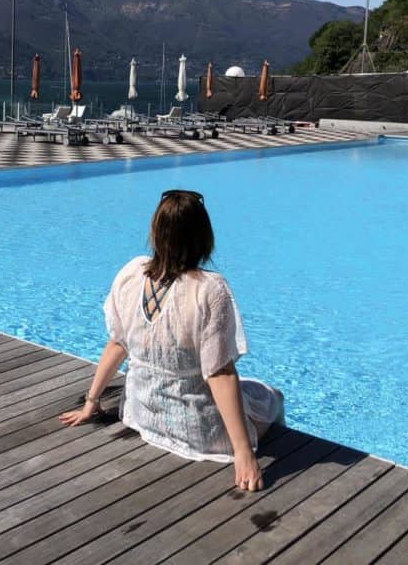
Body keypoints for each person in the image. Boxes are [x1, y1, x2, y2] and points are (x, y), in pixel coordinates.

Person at [60, 189, 284, 492]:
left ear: (156, 232)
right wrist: (243, 453)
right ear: (203, 236)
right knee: (272, 397)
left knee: (247, 390)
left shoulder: (131, 274)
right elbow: (219, 373)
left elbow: (118, 344)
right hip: (199, 432)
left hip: (141, 415)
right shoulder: (209, 289)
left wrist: (91, 403)